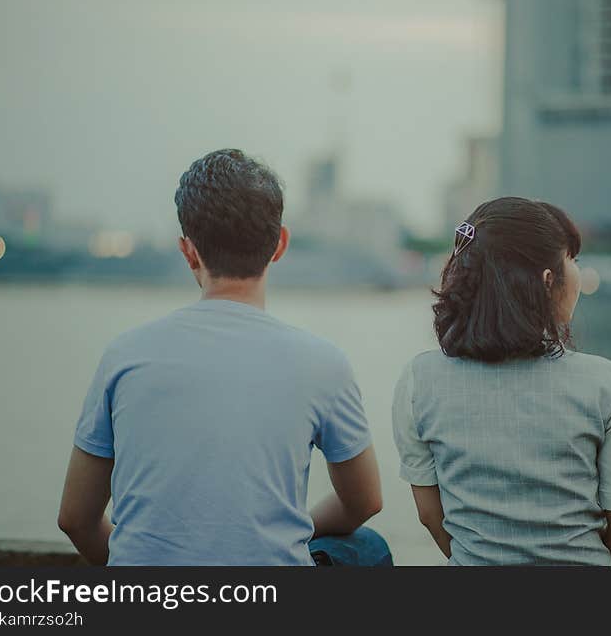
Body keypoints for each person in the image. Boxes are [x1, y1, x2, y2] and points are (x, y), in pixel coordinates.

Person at [58, 149, 390, 566]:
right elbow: (365, 501)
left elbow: (75, 519)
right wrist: (295, 526)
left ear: (188, 251)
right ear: (280, 245)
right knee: (368, 549)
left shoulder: (124, 355)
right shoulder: (324, 364)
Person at [392, 197, 611, 566]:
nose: (578, 272)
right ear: (548, 281)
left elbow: (430, 516)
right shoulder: (605, 385)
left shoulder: (419, 381)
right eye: (573, 260)